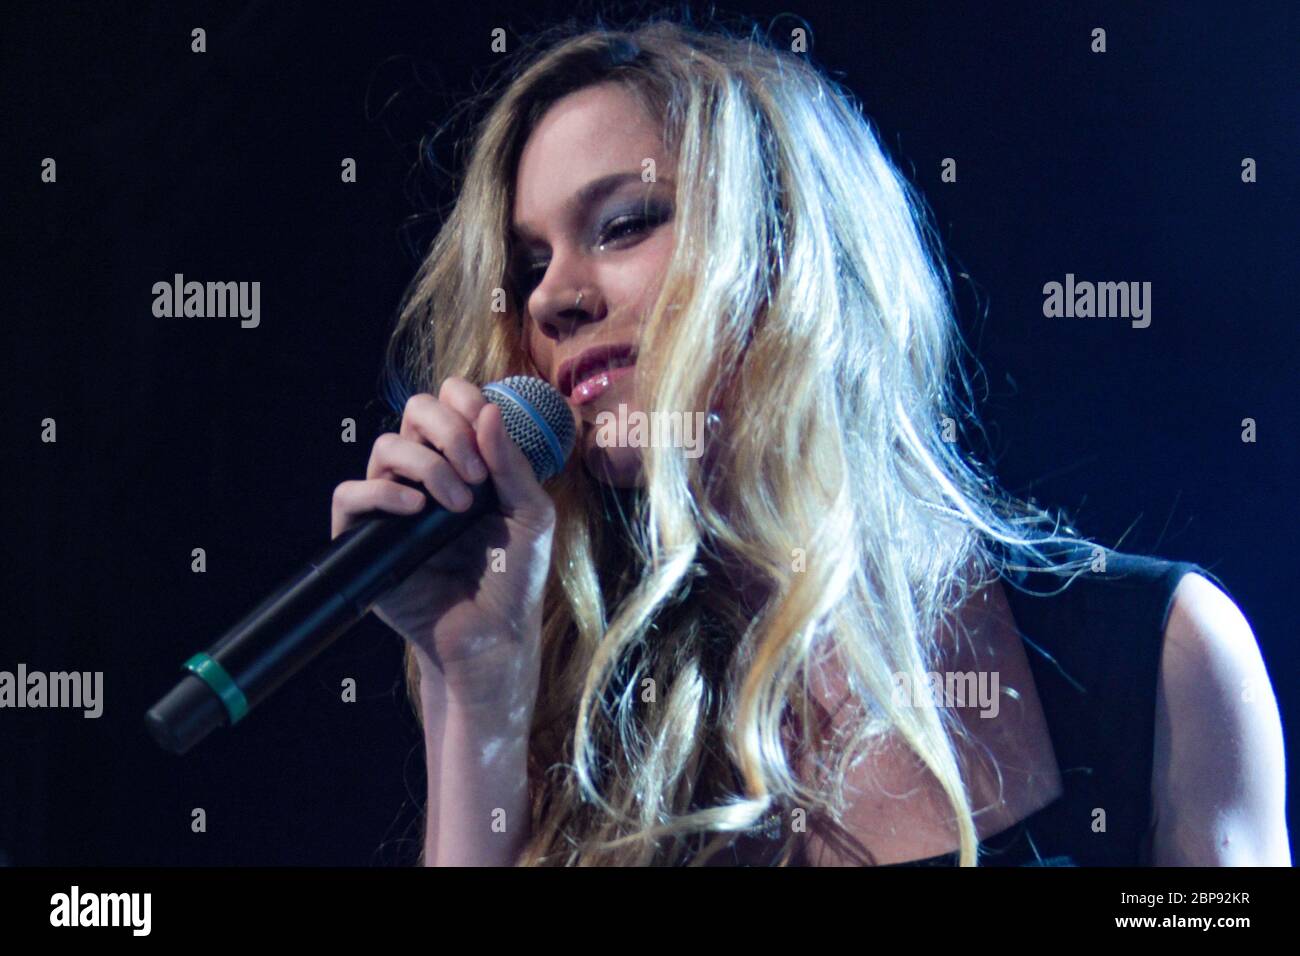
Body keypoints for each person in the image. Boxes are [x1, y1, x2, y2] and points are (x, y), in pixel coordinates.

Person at [329, 17, 1289, 866]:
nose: (550, 296)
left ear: (787, 256)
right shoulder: (580, 723)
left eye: (623, 225)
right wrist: (477, 695)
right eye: (531, 262)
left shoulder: (1153, 655)